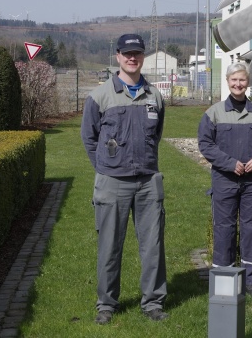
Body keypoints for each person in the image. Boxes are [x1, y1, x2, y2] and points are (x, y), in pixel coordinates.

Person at [80, 33, 168, 324]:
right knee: (109, 246)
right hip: (112, 183)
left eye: (137, 53)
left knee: (153, 245)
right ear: (117, 56)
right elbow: (89, 137)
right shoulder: (100, 96)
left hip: (147, 182)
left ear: (143, 57)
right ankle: (106, 304)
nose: (132, 58)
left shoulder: (154, 96)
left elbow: (156, 135)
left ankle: (153, 302)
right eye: (127, 53)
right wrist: (106, 166)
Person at [198, 62, 252, 298]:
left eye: (242, 80)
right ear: (227, 82)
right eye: (234, 80)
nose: (238, 84)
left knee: (251, 228)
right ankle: (223, 277)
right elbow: (206, 144)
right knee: (223, 227)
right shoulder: (213, 113)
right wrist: (229, 163)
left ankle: (251, 281)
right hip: (224, 180)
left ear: (248, 82)